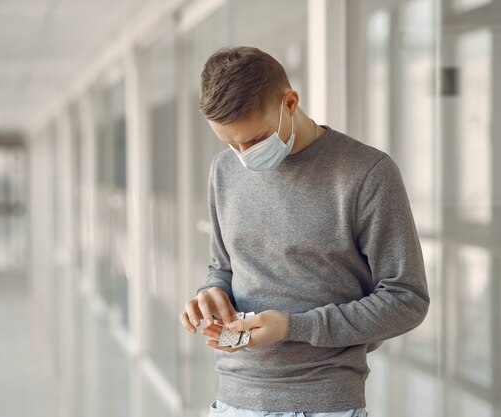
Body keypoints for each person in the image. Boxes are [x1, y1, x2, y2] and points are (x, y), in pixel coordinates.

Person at [178, 46, 430, 417]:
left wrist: (295, 327)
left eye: (255, 139)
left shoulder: (366, 173)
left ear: (290, 102)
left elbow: (407, 299)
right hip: (231, 400)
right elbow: (224, 266)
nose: (243, 154)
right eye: (230, 143)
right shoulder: (223, 170)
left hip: (323, 403)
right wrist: (211, 293)